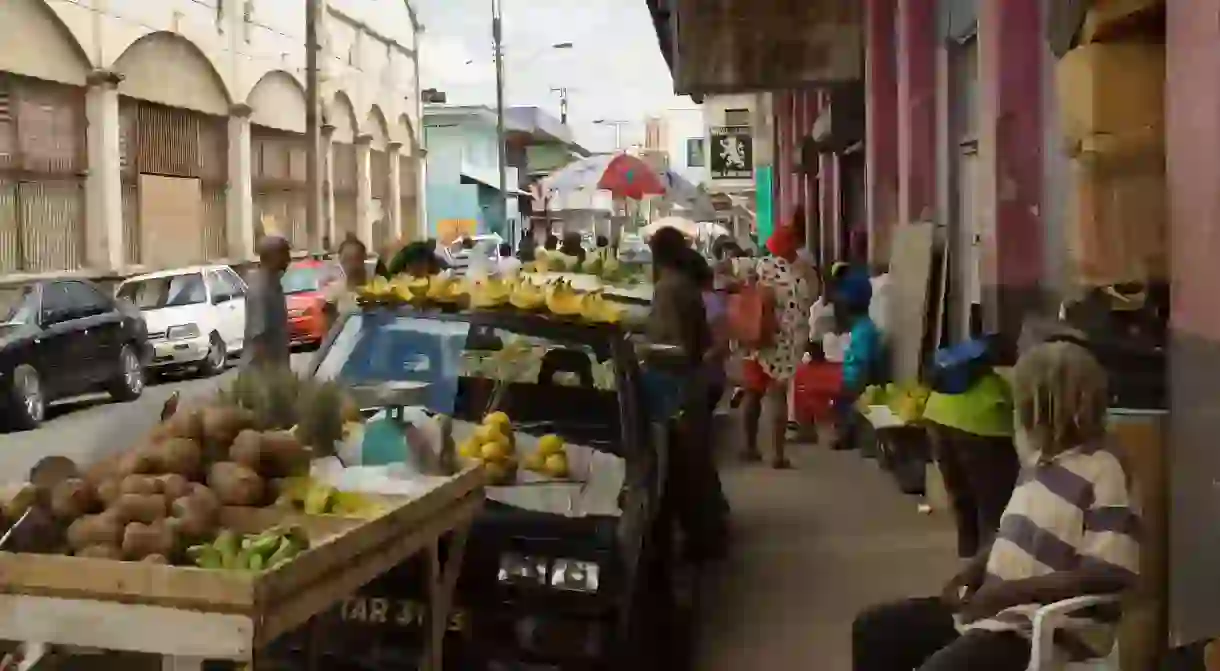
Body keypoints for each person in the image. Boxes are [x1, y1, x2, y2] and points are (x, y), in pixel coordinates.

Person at [851, 341, 1139, 671]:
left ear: (1050, 403)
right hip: (994, 611)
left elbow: (1109, 573)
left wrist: (1010, 594)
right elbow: (1013, 532)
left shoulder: (1105, 469)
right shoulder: (1041, 460)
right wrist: (973, 570)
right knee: (874, 630)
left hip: (1045, 630)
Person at [648, 226, 728, 560]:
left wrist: (645, 351)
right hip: (690, 384)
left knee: (682, 470)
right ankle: (707, 535)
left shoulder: (668, 289)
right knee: (695, 465)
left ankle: (701, 543)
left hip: (676, 387)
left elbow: (673, 346)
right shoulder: (685, 286)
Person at [923, 340, 1021, 559]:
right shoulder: (995, 384)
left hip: (938, 423)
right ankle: (991, 559)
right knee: (992, 501)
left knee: (960, 494)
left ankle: (968, 552)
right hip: (981, 434)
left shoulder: (948, 378)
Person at [739, 219, 813, 469]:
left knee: (752, 393)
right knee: (777, 394)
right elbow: (811, 300)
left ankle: (749, 447)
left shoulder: (761, 267)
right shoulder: (801, 273)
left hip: (757, 335)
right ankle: (777, 455)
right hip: (785, 341)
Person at [831, 270, 883, 450]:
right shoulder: (862, 327)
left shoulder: (864, 331)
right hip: (855, 383)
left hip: (857, 385)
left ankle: (849, 434)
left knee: (846, 405)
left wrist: (856, 392)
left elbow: (864, 367)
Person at [243, 235, 292, 371]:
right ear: (273, 256)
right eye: (285, 254)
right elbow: (258, 338)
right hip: (262, 376)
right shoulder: (260, 290)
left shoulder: (274, 285)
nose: (288, 260)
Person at [322, 235, 369, 329]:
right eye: (348, 259)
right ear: (341, 261)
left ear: (364, 257)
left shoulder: (380, 290)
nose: (352, 264)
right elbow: (328, 332)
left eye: (357, 258)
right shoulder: (333, 293)